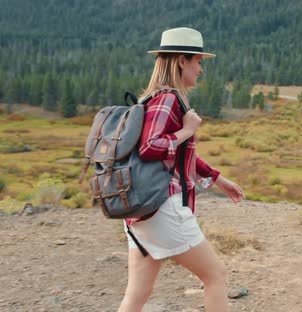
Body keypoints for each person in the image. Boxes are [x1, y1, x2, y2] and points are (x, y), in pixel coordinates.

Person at [118, 27, 244, 312]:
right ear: (180, 60)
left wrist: (218, 179)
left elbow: (178, 156)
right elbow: (150, 147)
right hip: (164, 208)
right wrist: (187, 130)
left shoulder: (151, 99)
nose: (201, 69)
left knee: (137, 295)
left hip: (143, 211)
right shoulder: (168, 99)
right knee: (215, 276)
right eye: (198, 61)